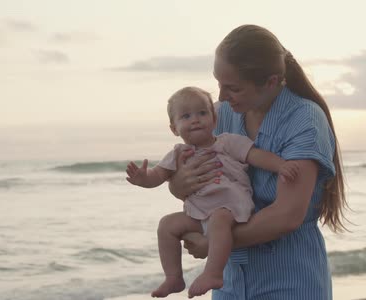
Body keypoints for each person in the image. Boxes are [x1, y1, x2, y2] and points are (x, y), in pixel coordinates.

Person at [168, 24, 347, 300]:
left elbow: (287, 215)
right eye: (218, 83)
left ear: (271, 82)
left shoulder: (304, 120)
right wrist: (177, 185)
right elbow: (191, 176)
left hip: (289, 279)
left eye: (233, 88)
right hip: (229, 281)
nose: (221, 97)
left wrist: (212, 244)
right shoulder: (221, 115)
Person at [126, 86, 300, 298]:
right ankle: (174, 277)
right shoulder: (177, 153)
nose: (195, 120)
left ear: (214, 119)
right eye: (186, 116)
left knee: (219, 220)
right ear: (174, 128)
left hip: (231, 208)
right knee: (167, 225)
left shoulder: (227, 142)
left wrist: (280, 165)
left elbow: (255, 156)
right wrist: (142, 179)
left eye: (202, 113)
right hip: (199, 214)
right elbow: (158, 176)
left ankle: (213, 273)